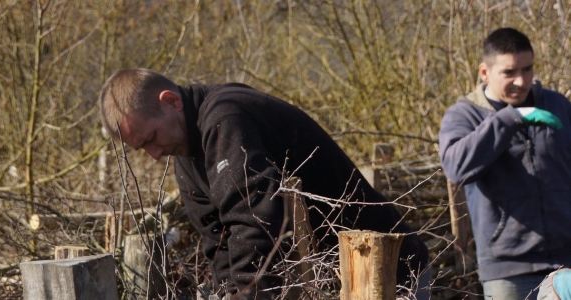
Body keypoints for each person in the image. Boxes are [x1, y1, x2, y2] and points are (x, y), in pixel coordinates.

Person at [98, 68, 429, 299]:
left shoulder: (226, 117)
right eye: (143, 148)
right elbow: (219, 239)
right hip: (328, 280)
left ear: (171, 101)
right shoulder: (186, 150)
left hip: (384, 273)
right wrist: (230, 292)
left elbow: (254, 219)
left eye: (152, 138)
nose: (155, 154)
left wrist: (246, 295)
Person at [438, 27, 571, 300]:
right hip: (507, 271)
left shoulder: (557, 105)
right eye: (509, 73)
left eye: (527, 69)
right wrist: (509, 120)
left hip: (565, 265)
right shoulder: (465, 115)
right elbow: (456, 168)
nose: (521, 81)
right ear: (484, 72)